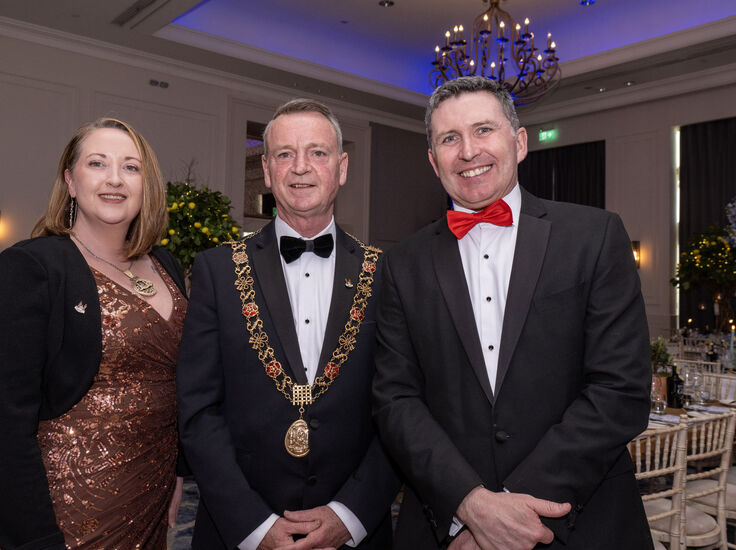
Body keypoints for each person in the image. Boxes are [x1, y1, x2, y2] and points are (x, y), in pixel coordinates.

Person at [372, 76, 652, 550]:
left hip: (581, 522)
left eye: (484, 130)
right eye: (449, 138)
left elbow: (620, 390)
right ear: (432, 159)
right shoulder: (401, 263)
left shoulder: (595, 236)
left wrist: (509, 513)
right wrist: (470, 507)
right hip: (449, 529)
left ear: (519, 142)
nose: (468, 151)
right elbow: (395, 400)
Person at [177, 98, 399, 550]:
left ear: (341, 167)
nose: (300, 168)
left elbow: (402, 409)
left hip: (357, 532)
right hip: (235, 531)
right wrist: (254, 526)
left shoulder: (387, 274)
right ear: (266, 168)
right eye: (284, 154)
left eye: (317, 153)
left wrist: (350, 515)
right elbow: (199, 411)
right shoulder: (217, 271)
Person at [0, 117, 188, 549]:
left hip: (150, 495)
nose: (115, 179)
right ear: (70, 181)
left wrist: (178, 472)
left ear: (148, 184)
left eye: (131, 167)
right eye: (97, 163)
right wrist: (34, 540)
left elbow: (180, 385)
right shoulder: (33, 267)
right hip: (57, 509)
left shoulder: (168, 265)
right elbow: (2, 424)